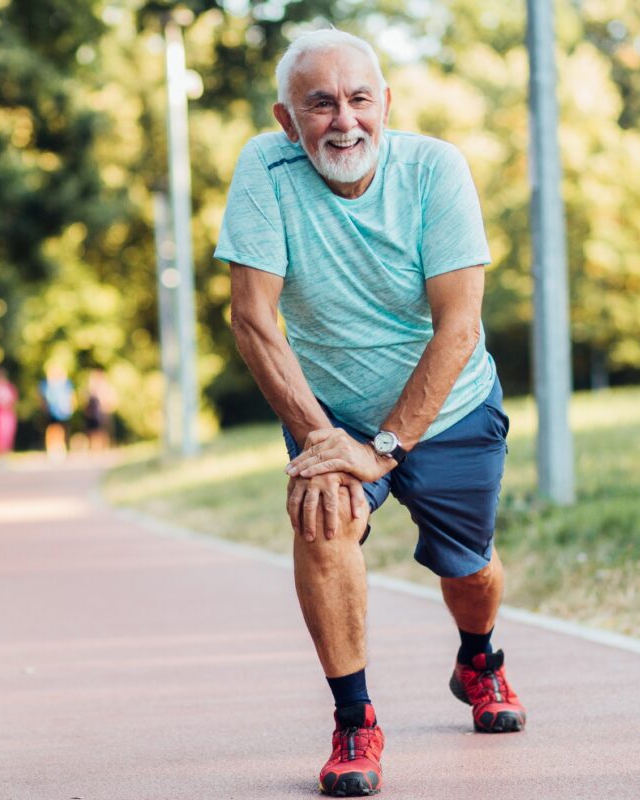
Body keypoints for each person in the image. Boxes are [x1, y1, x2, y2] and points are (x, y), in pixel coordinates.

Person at [217, 28, 526, 797]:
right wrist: (329, 443)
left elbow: (459, 326)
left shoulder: (434, 170)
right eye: (319, 104)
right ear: (288, 120)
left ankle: (479, 659)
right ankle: (354, 720)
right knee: (322, 517)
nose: (343, 121)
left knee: (472, 567)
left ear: (386, 105)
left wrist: (384, 447)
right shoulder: (265, 167)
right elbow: (254, 320)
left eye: (359, 99)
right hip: (332, 410)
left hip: (448, 407)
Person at [39, 363, 75, 460]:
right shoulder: (46, 384)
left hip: (63, 411)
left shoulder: (66, 383)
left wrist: (71, 407)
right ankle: (51, 449)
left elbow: (71, 396)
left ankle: (61, 448)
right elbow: (42, 398)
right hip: (51, 411)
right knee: (51, 429)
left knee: (62, 430)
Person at [83, 369, 116, 451]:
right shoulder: (90, 389)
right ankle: (95, 448)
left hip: (103, 412)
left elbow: (112, 400)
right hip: (93, 414)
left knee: (103, 430)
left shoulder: (106, 387)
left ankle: (104, 447)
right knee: (93, 431)